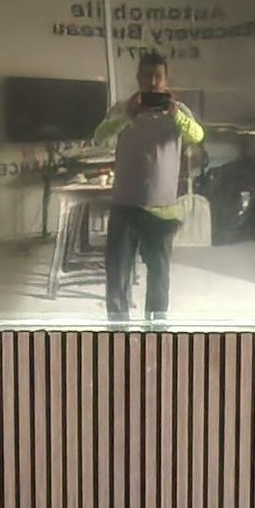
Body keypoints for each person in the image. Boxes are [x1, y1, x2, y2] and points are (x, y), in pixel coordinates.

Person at [93, 51, 205, 321]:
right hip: (124, 205)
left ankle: (155, 336)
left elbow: (198, 136)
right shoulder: (122, 109)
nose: (152, 82)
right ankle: (117, 340)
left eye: (157, 76)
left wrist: (177, 116)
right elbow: (99, 138)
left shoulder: (180, 112)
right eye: (146, 76)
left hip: (162, 208)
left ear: (166, 80)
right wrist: (127, 116)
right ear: (137, 77)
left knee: (159, 274)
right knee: (117, 276)